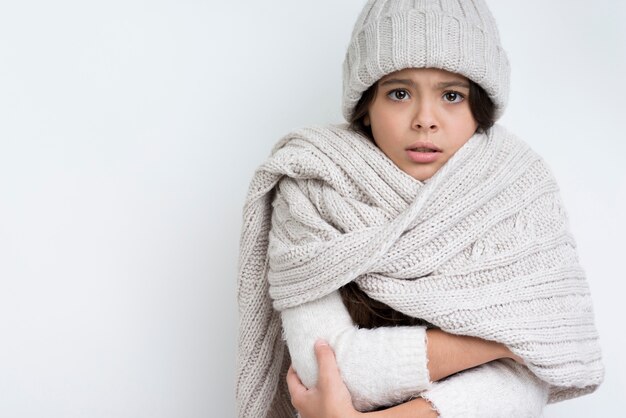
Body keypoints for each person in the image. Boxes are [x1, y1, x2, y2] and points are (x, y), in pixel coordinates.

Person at [235, 1, 604, 417]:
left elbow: (523, 385)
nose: (425, 119)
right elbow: (327, 371)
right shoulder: (312, 184)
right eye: (399, 93)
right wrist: (504, 340)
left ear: (479, 108)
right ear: (366, 107)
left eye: (451, 95)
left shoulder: (517, 190)